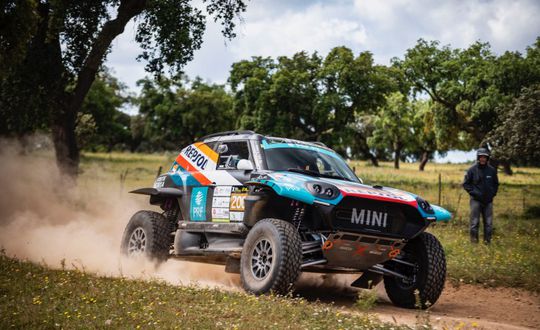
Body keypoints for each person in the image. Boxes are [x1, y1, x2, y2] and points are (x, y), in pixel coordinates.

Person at [462, 148, 499, 244]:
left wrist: (492, 194)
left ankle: (487, 242)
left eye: (485, 157)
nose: (483, 159)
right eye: (481, 157)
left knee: (489, 224)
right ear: (478, 158)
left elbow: (496, 184)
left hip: (488, 202)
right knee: (474, 223)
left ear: (487, 158)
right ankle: (474, 243)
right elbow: (466, 184)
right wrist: (475, 193)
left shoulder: (492, 170)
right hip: (476, 201)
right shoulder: (472, 170)